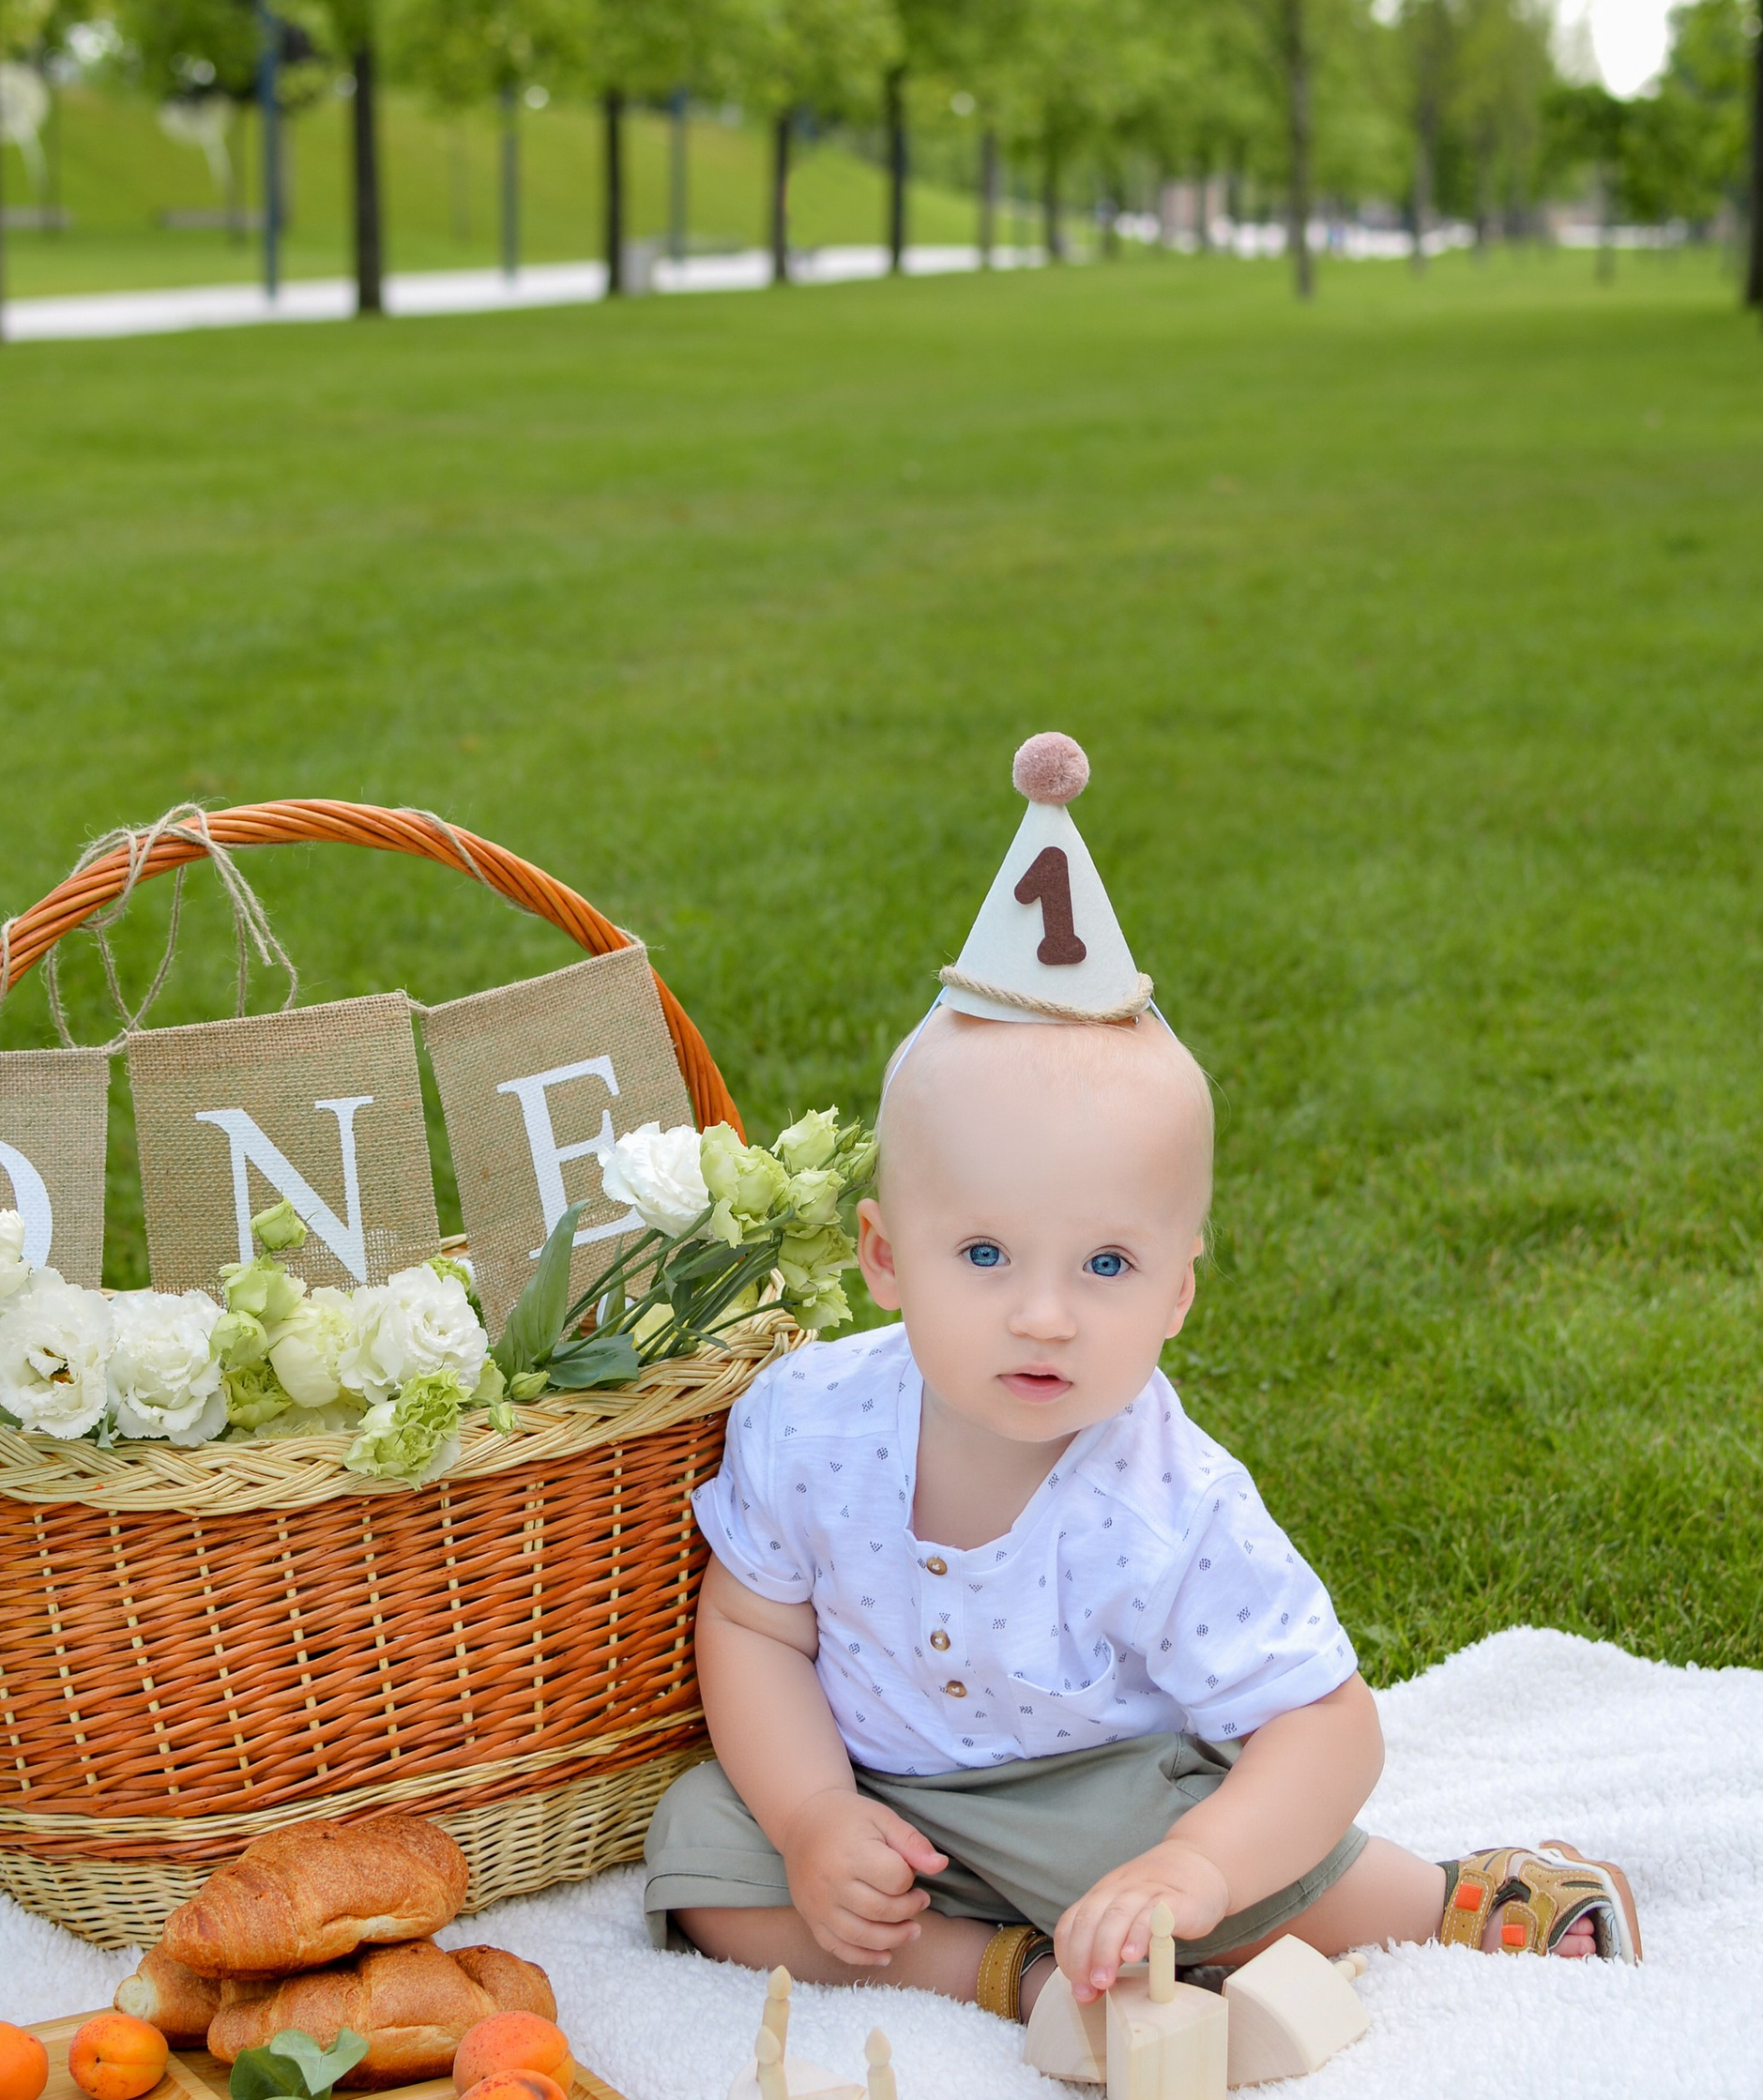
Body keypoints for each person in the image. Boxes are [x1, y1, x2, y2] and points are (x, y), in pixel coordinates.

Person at [643, 735, 1640, 2027]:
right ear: (885, 1258)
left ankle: (1439, 1899)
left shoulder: (1168, 1507)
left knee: (1272, 1887)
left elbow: (1328, 1728)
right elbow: (757, 1628)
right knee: (711, 1853)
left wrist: (1195, 1867)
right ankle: (1011, 1978)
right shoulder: (809, 1422)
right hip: (876, 1786)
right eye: (986, 1252)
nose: (1045, 1313)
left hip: (1102, 1796)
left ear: (1179, 1291)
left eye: (1108, 1262)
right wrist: (815, 1812)